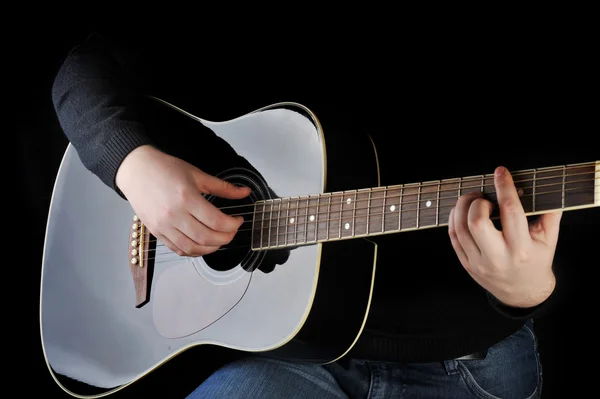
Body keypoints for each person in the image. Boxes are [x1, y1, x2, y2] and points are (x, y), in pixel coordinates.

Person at [50, 29, 564, 398]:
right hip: (296, 360)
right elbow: (83, 66)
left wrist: (527, 294)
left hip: (466, 367)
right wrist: (131, 163)